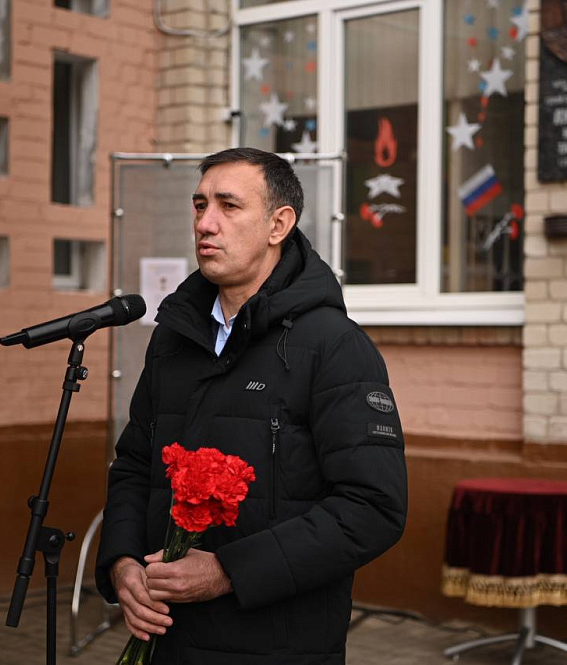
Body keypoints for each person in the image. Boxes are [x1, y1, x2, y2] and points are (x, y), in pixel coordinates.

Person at [95, 147, 408, 664]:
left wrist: (228, 572)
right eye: (200, 205)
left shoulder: (334, 346)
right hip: (168, 643)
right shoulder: (173, 338)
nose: (205, 223)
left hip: (278, 647)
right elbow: (133, 465)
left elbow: (373, 507)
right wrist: (122, 562)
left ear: (278, 225)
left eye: (229, 205)